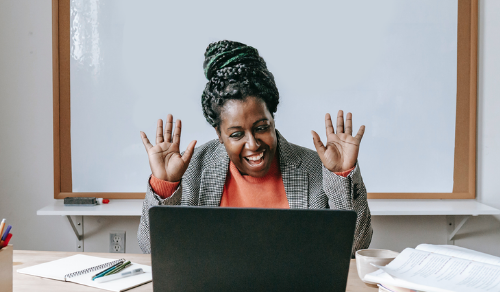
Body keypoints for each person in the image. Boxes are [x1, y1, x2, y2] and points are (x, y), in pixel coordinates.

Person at [137, 40, 372, 255]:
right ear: (219, 134)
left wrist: (342, 176)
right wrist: (165, 187)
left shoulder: (315, 169)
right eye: (237, 134)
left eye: (261, 127)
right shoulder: (191, 170)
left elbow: (354, 249)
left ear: (273, 119)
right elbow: (151, 251)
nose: (252, 144)